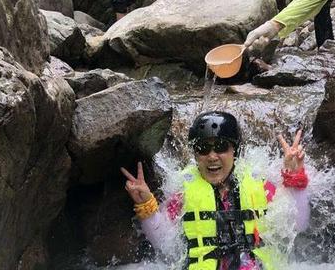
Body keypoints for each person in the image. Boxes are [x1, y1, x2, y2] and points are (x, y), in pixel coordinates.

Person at [120, 111, 310, 270]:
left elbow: (297, 226)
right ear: (195, 154)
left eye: (221, 147)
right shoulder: (182, 193)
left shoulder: (260, 186)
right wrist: (145, 204)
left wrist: (295, 176)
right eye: (203, 149)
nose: (212, 156)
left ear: (234, 151)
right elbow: (166, 246)